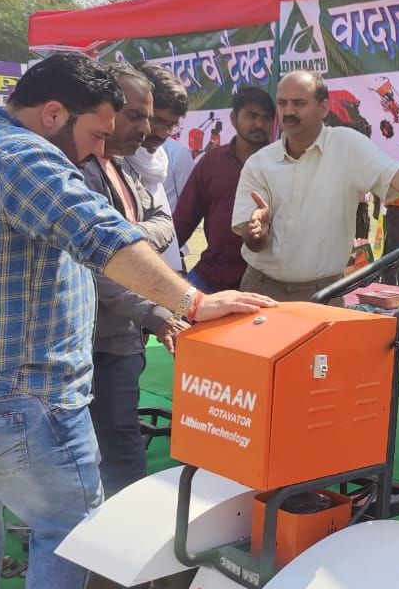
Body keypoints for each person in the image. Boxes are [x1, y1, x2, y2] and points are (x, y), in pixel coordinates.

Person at [0, 53, 275, 589]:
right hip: (18, 393)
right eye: (97, 133)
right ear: (53, 114)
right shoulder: (24, 156)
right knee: (67, 532)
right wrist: (191, 303)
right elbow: (100, 237)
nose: (101, 150)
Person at [234, 71, 399, 302]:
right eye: (282, 103)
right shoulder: (259, 164)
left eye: (299, 103)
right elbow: (254, 242)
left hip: (324, 293)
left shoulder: (346, 145)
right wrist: (257, 232)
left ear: (324, 107)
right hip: (261, 289)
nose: (288, 111)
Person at [78, 63, 183, 498]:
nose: (146, 129)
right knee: (113, 448)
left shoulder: (125, 170)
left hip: (122, 336)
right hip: (92, 338)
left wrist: (125, 242)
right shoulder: (79, 173)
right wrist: (158, 312)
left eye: (151, 118)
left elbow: (165, 222)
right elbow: (96, 264)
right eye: (136, 115)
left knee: (119, 439)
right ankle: (115, 550)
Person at [173, 86, 275, 293]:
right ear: (233, 118)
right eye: (251, 116)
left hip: (264, 280)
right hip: (212, 274)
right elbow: (184, 219)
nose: (259, 124)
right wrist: (164, 264)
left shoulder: (281, 164)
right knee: (174, 316)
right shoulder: (212, 162)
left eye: (266, 118)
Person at [126, 61, 190, 272]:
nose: (162, 133)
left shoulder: (158, 159)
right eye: (156, 120)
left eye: (170, 126)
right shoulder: (109, 162)